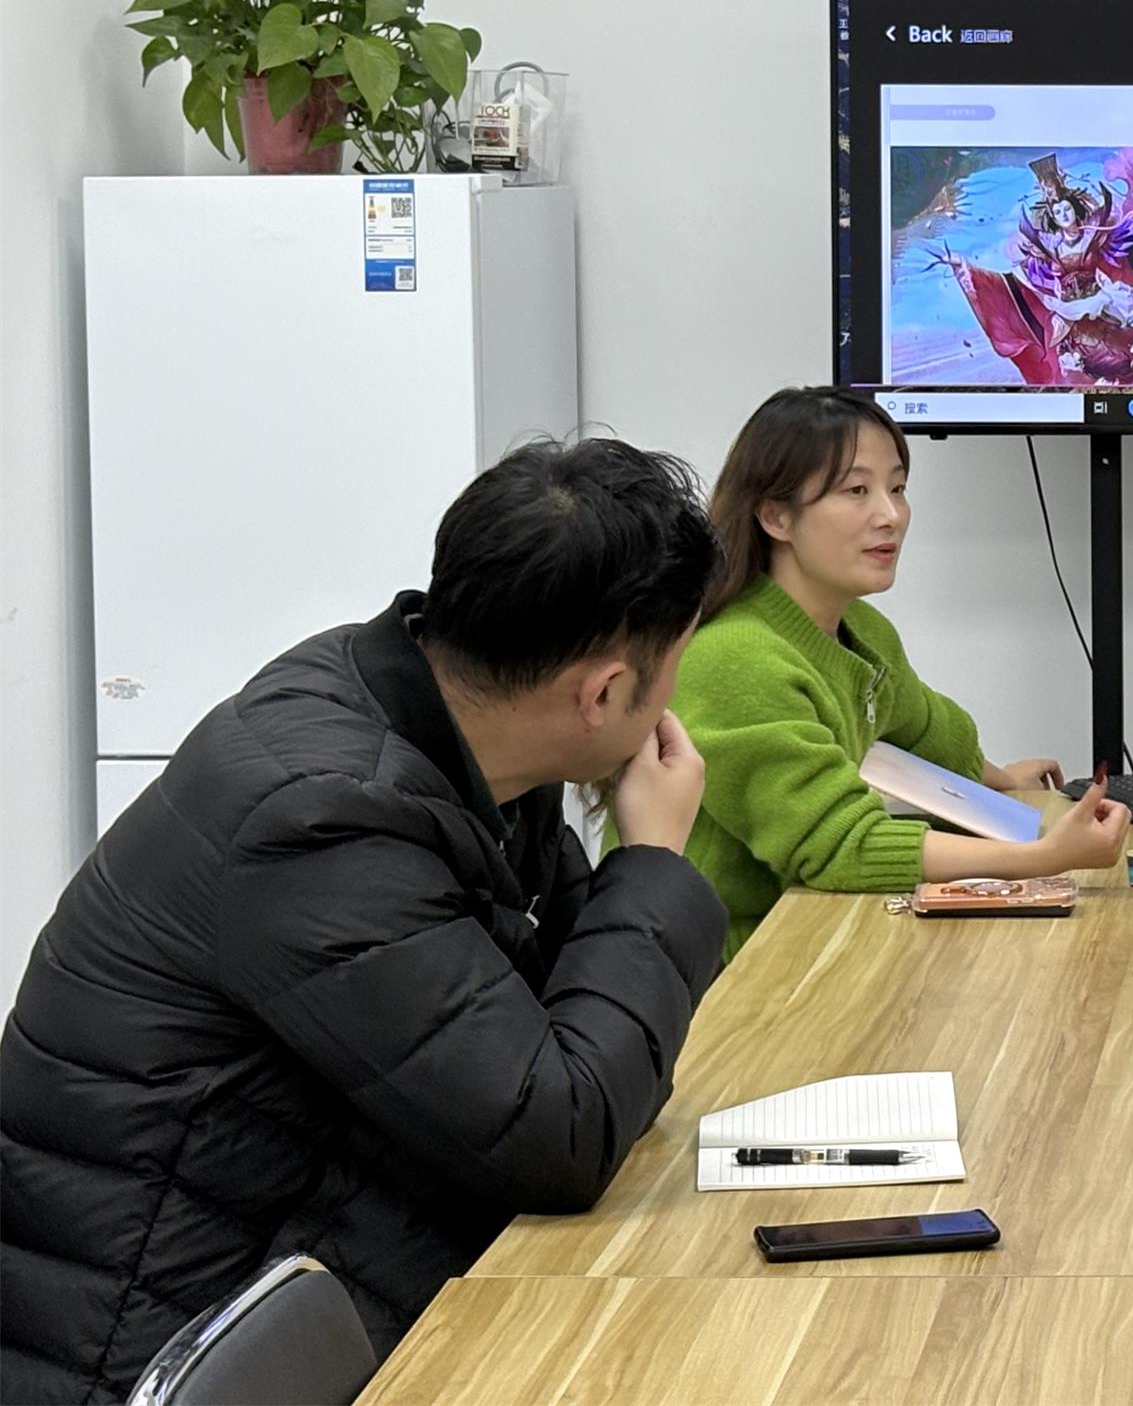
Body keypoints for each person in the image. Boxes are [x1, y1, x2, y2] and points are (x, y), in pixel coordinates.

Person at [0, 441, 731, 1404]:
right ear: (600, 693)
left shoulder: (455, 729)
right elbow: (561, 1133)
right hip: (166, 1350)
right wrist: (653, 862)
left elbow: (570, 1038)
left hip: (318, 1267)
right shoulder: (324, 818)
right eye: (673, 667)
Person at [651, 386, 1128, 959]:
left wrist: (1002, 781)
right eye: (857, 491)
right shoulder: (735, 659)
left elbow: (928, 731)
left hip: (809, 934)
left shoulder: (861, 629)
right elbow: (840, 846)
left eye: (897, 489)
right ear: (776, 516)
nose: (891, 516)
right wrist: (1043, 858)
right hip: (724, 972)